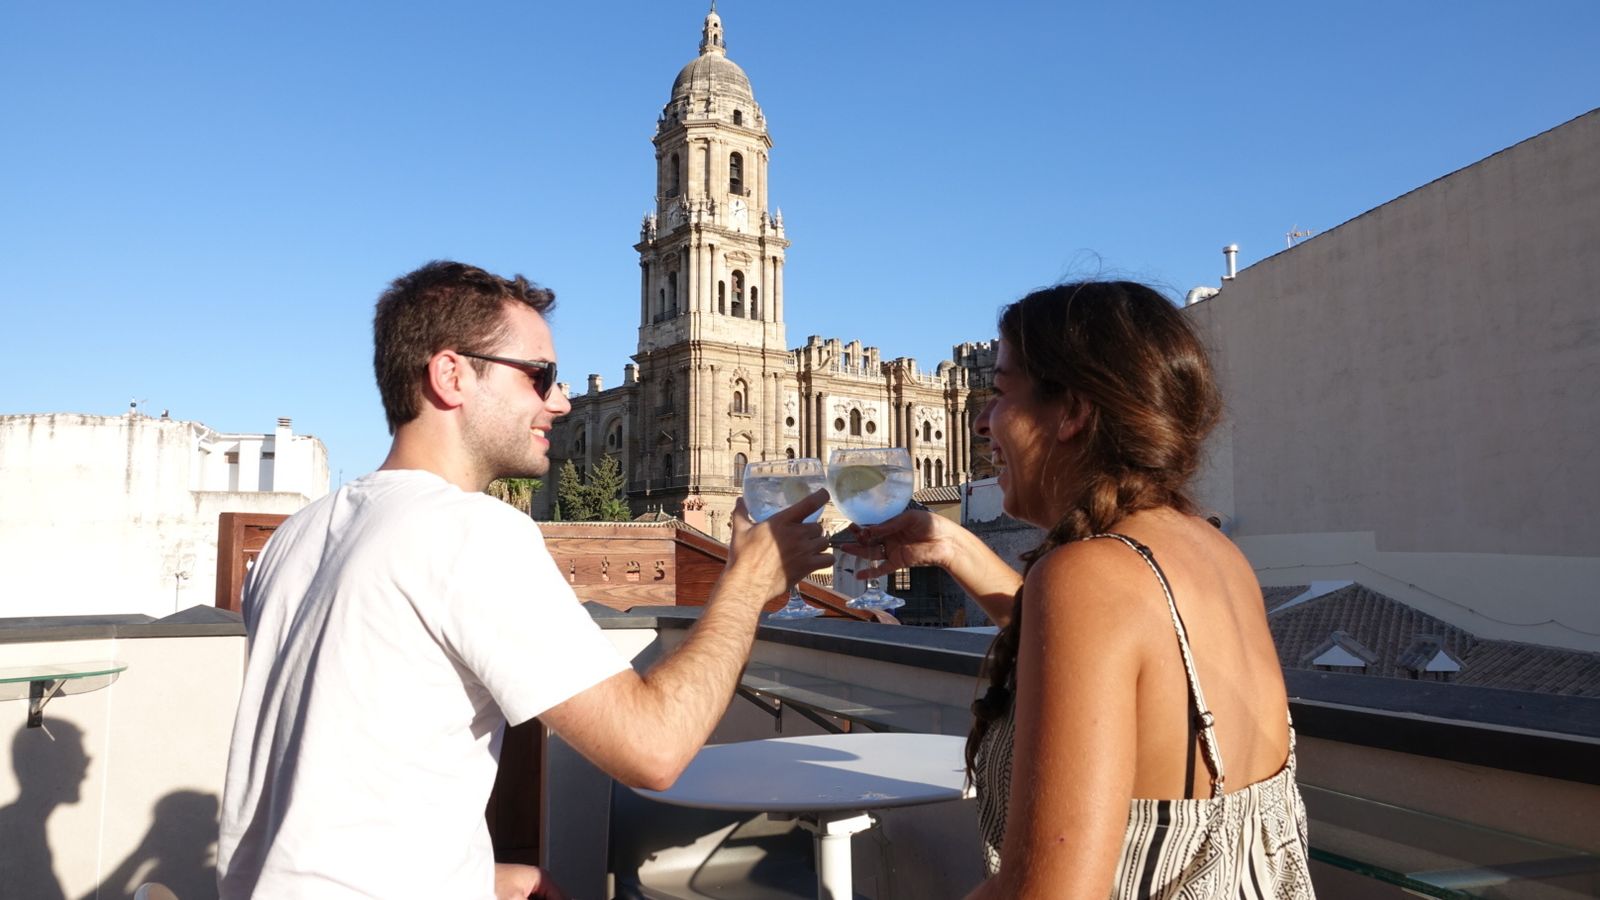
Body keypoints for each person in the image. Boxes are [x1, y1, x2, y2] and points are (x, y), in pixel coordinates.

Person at [217, 261, 830, 899]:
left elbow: (341, 768)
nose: (560, 402)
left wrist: (470, 878)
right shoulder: (469, 532)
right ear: (451, 375)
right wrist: (746, 580)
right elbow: (655, 749)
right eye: (540, 377)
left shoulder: (303, 532)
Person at [846, 281, 1314, 898]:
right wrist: (954, 546)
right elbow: (1105, 659)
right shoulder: (1210, 550)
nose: (982, 422)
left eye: (1000, 392)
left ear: (1072, 412)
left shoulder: (1089, 576)